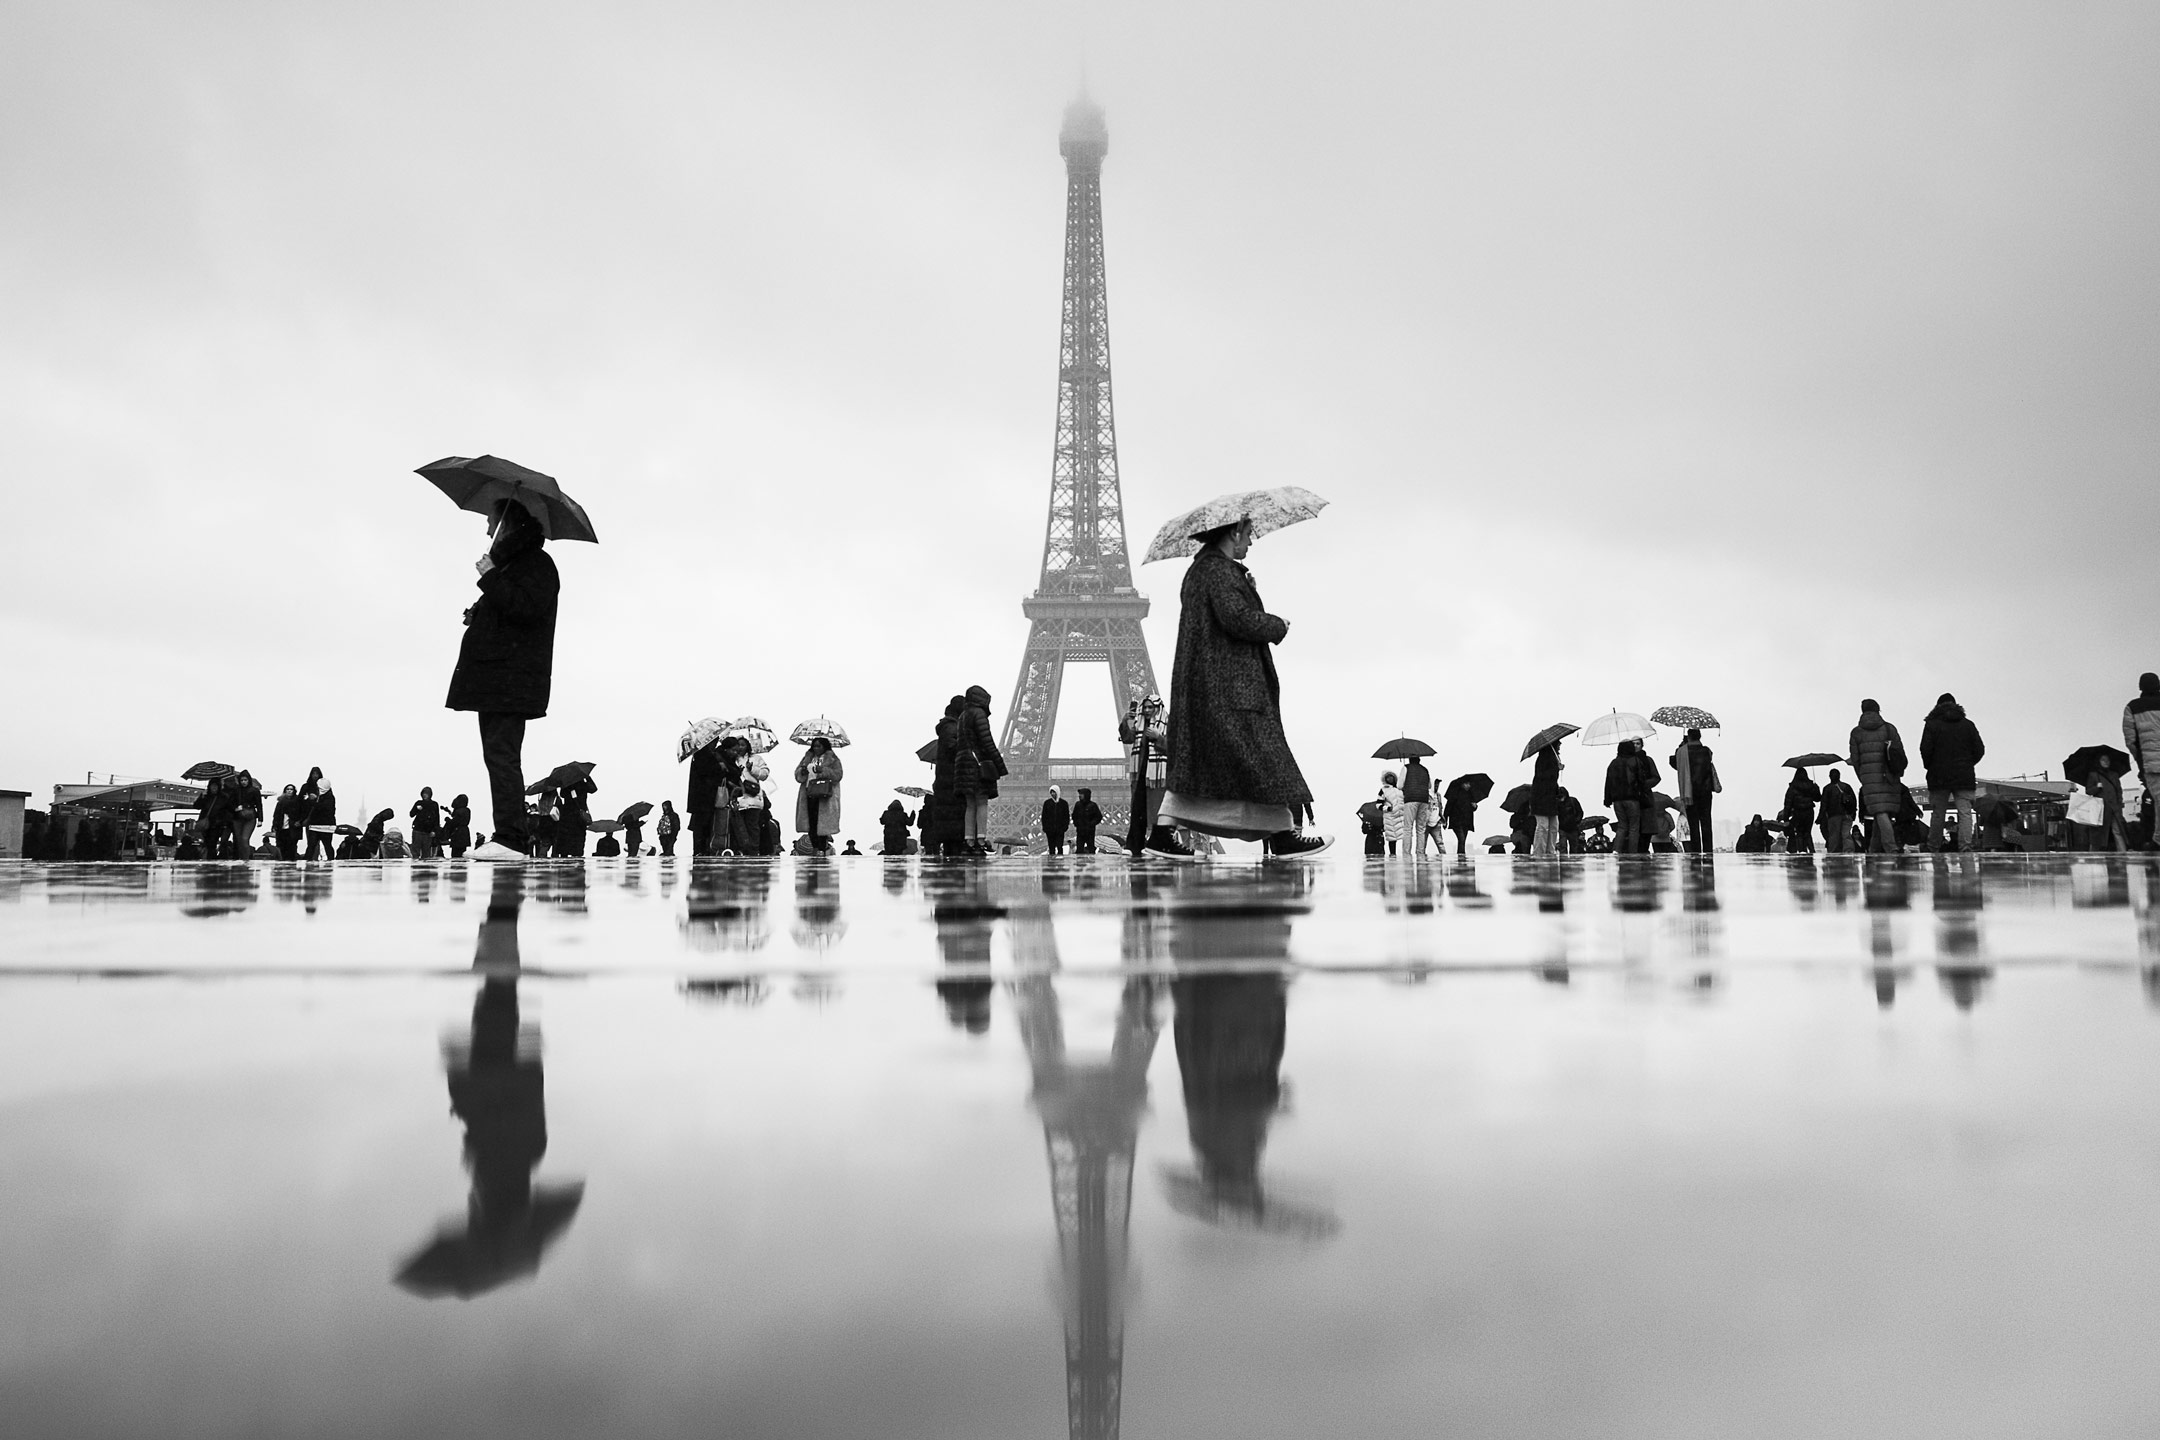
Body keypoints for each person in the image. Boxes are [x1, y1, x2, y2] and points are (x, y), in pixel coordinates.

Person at [1158, 517, 1330, 857]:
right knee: (1260, 760)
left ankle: (1165, 831)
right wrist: (1276, 624)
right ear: (1234, 532)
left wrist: (1247, 588)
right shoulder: (1218, 571)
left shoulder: (1202, 570)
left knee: (1211, 764)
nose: (1250, 543)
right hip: (1231, 686)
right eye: (1249, 534)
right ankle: (1281, 834)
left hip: (1213, 684)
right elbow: (1235, 618)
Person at [446, 498, 559, 861]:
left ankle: (510, 838)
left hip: (511, 677)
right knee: (498, 754)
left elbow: (526, 609)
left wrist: (490, 576)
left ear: (508, 523)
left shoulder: (536, 564)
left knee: (502, 754)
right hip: (499, 676)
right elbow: (507, 608)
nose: (486, 529)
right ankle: (508, 835)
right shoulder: (515, 562)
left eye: (491, 521)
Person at [1119, 693, 1189, 859]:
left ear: (1158, 708)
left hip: (1157, 777)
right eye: (1146, 707)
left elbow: (1176, 748)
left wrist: (1158, 737)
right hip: (1141, 775)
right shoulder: (1139, 725)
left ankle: (1155, 844)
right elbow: (1127, 738)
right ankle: (1133, 845)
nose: (1148, 710)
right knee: (1138, 811)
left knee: (1156, 811)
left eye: (1151, 707)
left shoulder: (1168, 725)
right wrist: (1124, 721)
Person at [1919, 692, 1986, 853]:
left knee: (1938, 813)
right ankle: (1965, 846)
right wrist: (1968, 764)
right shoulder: (1967, 724)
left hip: (1939, 775)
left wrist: (1931, 766)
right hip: (1964, 775)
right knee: (1964, 812)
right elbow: (1979, 749)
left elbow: (1925, 749)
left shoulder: (1932, 724)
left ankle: (1934, 846)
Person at [1847, 699, 1908, 854]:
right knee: (1881, 811)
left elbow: (1855, 759)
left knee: (1879, 812)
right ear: (1878, 709)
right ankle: (1882, 847)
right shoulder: (1889, 729)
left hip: (1868, 778)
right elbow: (1899, 752)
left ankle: (1885, 847)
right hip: (1889, 775)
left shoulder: (1856, 733)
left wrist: (1863, 777)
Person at [954, 686, 1006, 856]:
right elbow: (987, 741)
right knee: (982, 801)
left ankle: (968, 840)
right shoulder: (979, 714)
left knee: (970, 804)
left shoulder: (962, 716)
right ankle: (981, 840)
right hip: (978, 764)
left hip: (963, 764)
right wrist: (999, 764)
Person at [2123, 672, 2160, 850]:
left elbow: (2131, 741)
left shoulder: (2132, 707)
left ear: (2140, 687)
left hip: (2151, 763)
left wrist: (2140, 761)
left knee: (2159, 800)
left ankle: (2158, 839)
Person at [1670, 728, 1719, 854]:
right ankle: (1708, 850)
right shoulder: (1707, 751)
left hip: (1689, 792)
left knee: (1693, 823)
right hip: (1705, 791)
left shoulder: (1682, 751)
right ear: (1699, 737)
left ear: (1689, 737)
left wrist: (1681, 746)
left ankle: (1696, 850)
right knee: (1706, 822)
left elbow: (1675, 764)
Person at [795, 736, 844, 855]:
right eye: (814, 746)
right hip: (809, 793)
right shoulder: (807, 758)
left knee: (822, 825)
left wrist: (823, 770)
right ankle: (815, 847)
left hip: (824, 795)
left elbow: (838, 775)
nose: (816, 748)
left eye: (819, 746)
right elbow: (797, 775)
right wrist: (803, 771)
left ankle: (822, 848)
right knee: (811, 823)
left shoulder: (832, 759)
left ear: (824, 747)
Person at [1529, 745, 1563, 858]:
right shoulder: (1543, 759)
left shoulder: (1553, 758)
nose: (1560, 746)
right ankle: (1539, 852)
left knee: (1554, 826)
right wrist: (1556, 769)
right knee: (1543, 826)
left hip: (1550, 798)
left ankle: (1550, 851)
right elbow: (1543, 777)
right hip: (1541, 798)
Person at [1399, 755, 1434, 859]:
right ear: (1419, 760)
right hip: (1424, 799)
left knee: (1408, 828)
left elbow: (1399, 785)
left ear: (1409, 759)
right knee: (1421, 829)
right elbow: (1429, 786)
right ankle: (1420, 852)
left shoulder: (1406, 768)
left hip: (1410, 799)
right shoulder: (1425, 769)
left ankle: (1406, 853)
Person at [554, 774, 596, 858]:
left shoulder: (567, 785)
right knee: (578, 836)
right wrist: (587, 777)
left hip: (567, 813)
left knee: (565, 836)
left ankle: (564, 853)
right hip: (579, 814)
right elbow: (593, 789)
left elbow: (562, 794)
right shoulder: (583, 784)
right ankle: (577, 853)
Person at [1782, 767, 1821, 854]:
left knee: (1799, 832)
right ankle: (1810, 850)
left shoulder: (1792, 788)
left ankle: (1801, 850)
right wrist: (1816, 788)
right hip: (1809, 812)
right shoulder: (1811, 786)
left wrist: (1786, 819)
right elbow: (1818, 798)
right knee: (1807, 832)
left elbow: (1787, 804)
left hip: (1798, 812)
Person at [1818, 768, 1857, 852]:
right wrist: (1853, 814)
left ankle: (1833, 852)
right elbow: (1853, 801)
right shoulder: (1847, 786)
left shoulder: (1827, 788)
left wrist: (1820, 818)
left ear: (1830, 776)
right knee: (1846, 834)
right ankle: (1849, 851)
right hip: (1847, 815)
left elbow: (1823, 805)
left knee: (1834, 836)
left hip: (1834, 816)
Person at [1441, 778, 1479, 858]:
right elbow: (1448, 808)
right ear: (1462, 784)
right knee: (1461, 839)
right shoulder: (1454, 794)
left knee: (1463, 840)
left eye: (1469, 784)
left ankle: (1461, 856)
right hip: (1456, 821)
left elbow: (1472, 807)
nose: (1469, 785)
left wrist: (1475, 806)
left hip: (1466, 821)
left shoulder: (1470, 794)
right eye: (1467, 783)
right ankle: (1461, 857)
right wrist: (1445, 820)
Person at [304, 774, 338, 861]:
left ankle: (329, 860)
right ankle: (309, 859)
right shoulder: (326, 796)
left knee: (323, 845)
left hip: (322, 825)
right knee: (315, 845)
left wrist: (311, 801)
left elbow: (321, 808)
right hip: (321, 825)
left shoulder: (328, 798)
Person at [230, 772, 263, 858]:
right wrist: (236, 808)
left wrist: (260, 819)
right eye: (242, 780)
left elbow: (259, 805)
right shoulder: (236, 790)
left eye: (245, 780)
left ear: (249, 780)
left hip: (250, 817)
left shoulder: (255, 791)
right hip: (238, 817)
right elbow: (230, 803)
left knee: (244, 839)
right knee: (238, 840)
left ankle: (246, 858)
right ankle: (242, 857)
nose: (243, 782)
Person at [271, 783, 304, 861]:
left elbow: (302, 813)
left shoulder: (298, 802)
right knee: (281, 847)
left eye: (291, 789)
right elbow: (276, 815)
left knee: (292, 848)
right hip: (281, 828)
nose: (289, 791)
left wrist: (299, 822)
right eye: (288, 789)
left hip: (293, 828)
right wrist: (274, 826)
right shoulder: (280, 802)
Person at [410, 787, 443, 859]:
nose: (425, 795)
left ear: (430, 795)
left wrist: (435, 831)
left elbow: (437, 819)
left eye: (426, 794)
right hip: (417, 830)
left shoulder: (434, 804)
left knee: (426, 853)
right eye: (423, 794)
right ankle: (415, 868)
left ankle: (425, 868)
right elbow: (411, 814)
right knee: (415, 852)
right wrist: (416, 808)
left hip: (428, 832)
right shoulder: (419, 803)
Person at [1377, 772, 1405, 856]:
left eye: (1391, 777)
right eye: (1388, 777)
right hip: (1390, 817)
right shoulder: (1383, 790)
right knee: (1392, 838)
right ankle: (1392, 854)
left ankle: (1406, 853)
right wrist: (1388, 808)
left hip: (1402, 816)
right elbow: (1378, 804)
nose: (1390, 779)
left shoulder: (1400, 789)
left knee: (1405, 836)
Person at [1072, 788, 1103, 855]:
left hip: (1089, 831)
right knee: (1079, 849)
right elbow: (1074, 816)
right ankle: (1081, 863)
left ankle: (1087, 863)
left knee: (1091, 849)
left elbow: (1099, 817)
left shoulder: (1093, 805)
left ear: (1086, 795)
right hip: (1080, 831)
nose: (1080, 796)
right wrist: (1077, 824)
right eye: (1079, 794)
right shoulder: (1078, 805)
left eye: (1081, 794)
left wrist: (1091, 824)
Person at [1041, 785, 1070, 855]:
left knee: (1060, 846)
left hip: (1060, 829)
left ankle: (1058, 861)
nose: (1052, 794)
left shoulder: (1063, 803)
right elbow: (1044, 816)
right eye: (1051, 792)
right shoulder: (1047, 803)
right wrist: (1046, 828)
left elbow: (1066, 816)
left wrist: (1064, 827)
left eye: (1054, 792)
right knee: (1051, 847)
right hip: (1050, 830)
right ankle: (1052, 862)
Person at [445, 794, 473, 858]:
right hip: (464, 833)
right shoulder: (467, 810)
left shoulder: (458, 811)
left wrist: (448, 820)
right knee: (462, 853)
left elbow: (455, 822)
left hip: (457, 833)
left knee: (455, 854)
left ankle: (456, 867)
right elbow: (459, 819)